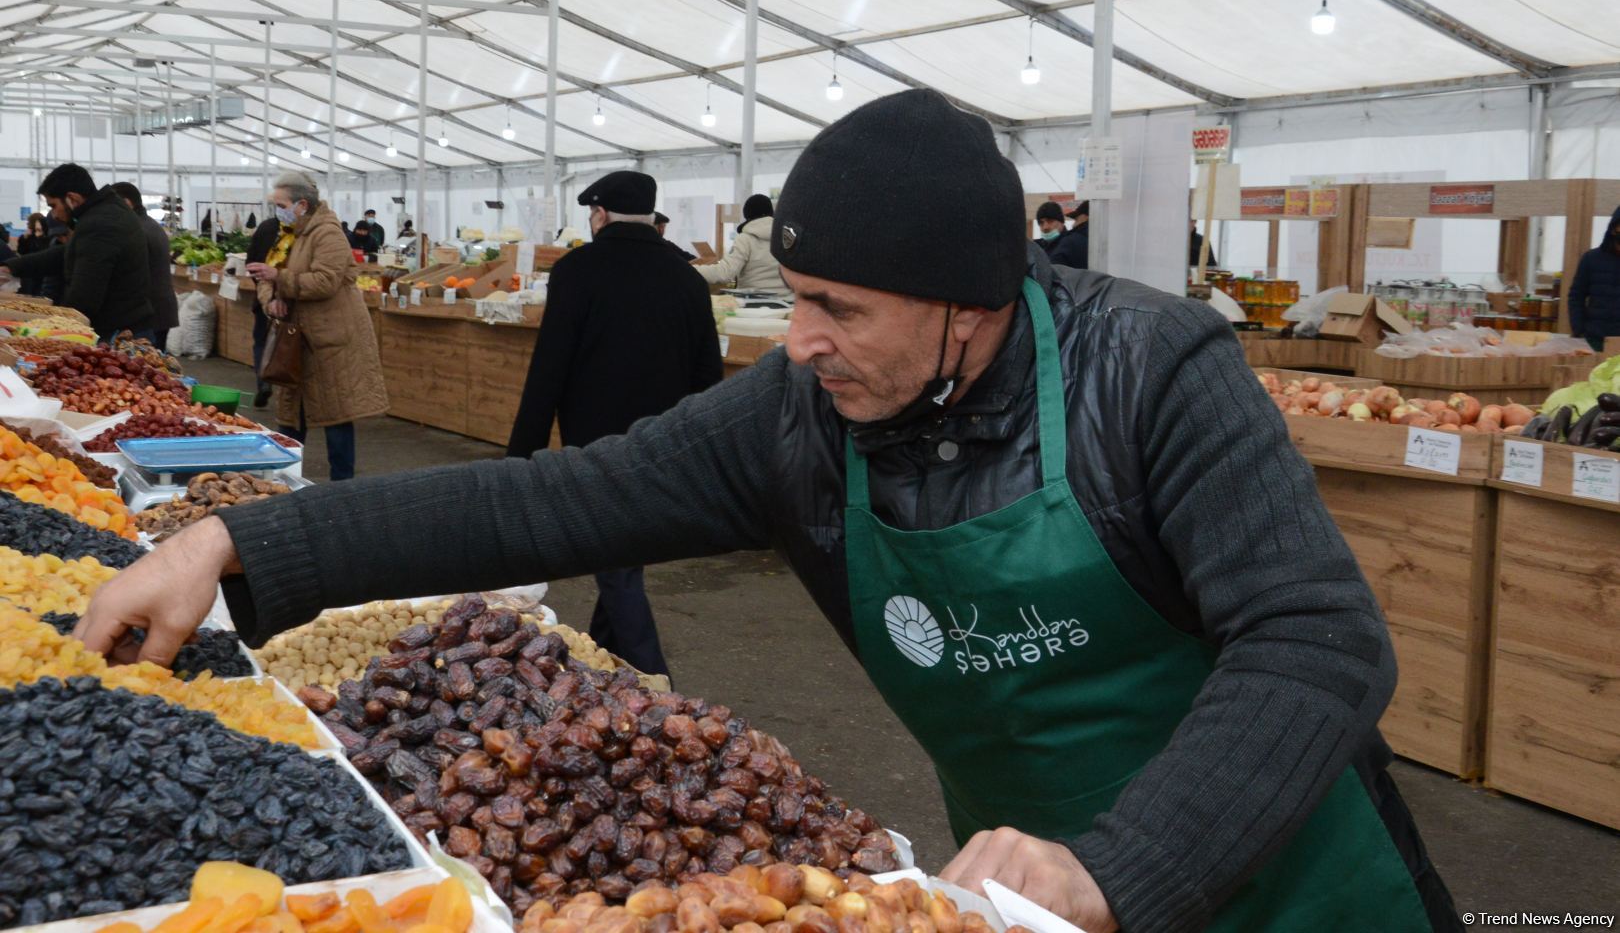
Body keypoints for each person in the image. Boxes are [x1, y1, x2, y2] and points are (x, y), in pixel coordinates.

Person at [77, 91, 1460, 933]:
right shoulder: (803, 414)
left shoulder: (1153, 371)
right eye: (793, 298)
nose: (796, 338)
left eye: (837, 309)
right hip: (1018, 882)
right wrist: (241, 543)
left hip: (1279, 871)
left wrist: (1127, 871)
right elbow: (571, 493)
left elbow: (1314, 641)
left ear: (971, 307)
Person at [504, 170, 721, 678]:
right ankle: (601, 659)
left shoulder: (577, 269)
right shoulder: (687, 277)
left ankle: (653, 675)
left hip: (596, 442)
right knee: (621, 551)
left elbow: (549, 366)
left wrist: (522, 456)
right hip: (664, 441)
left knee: (617, 562)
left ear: (599, 215)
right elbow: (708, 373)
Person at [243, 170, 388, 482]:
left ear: (302, 205)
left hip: (330, 341)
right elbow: (265, 276)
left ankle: (342, 488)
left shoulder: (327, 233)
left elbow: (325, 281)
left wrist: (280, 279)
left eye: (281, 203)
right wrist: (272, 300)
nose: (277, 209)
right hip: (295, 339)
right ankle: (284, 482)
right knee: (292, 418)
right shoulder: (286, 233)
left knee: (336, 416)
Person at [2, 164, 154, 341]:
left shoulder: (100, 224)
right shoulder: (107, 212)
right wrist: (11, 267)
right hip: (125, 325)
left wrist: (55, 331)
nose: (53, 215)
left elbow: (84, 296)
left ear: (71, 198)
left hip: (116, 333)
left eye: (53, 206)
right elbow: (67, 254)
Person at [109, 183, 181, 351]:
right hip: (158, 310)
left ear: (127, 203)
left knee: (146, 364)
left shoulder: (138, 230)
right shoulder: (148, 225)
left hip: (149, 313)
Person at [697, 193, 788, 295]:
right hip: (787, 303)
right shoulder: (786, 238)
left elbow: (725, 273)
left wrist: (690, 269)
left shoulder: (745, 239)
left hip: (754, 303)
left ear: (747, 215)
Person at [244, 214, 288, 408]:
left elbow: (250, 260)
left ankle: (263, 382)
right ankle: (285, 389)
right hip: (289, 299)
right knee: (287, 345)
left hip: (264, 298)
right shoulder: (298, 231)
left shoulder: (265, 227)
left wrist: (262, 288)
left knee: (262, 342)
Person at [1567, 205, 1620, 352]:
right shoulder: (1591, 259)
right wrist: (1579, 330)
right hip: (1594, 341)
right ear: (1613, 228)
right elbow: (1576, 296)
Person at [1034, 202, 1087, 269]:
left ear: (1061, 222)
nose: (1045, 227)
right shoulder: (1036, 247)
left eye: (1050, 221)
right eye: (1041, 223)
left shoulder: (1071, 245)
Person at [15, 214, 48, 297]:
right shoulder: (28, 236)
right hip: (29, 269)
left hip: (37, 271)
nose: (27, 224)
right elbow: (21, 251)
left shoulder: (43, 238)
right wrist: (24, 238)